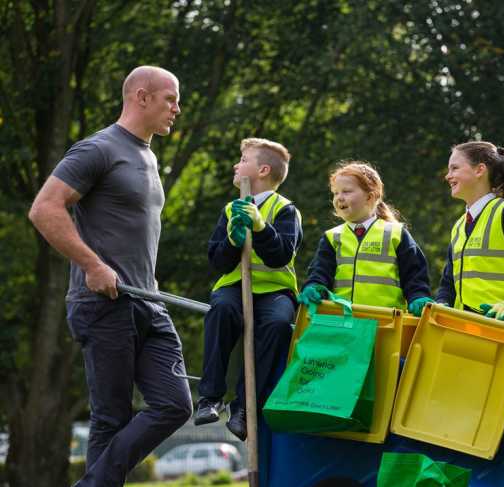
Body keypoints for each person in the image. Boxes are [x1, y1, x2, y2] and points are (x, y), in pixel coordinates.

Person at [28, 66, 192, 486]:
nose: (177, 108)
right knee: (111, 418)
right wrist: (92, 265)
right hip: (103, 304)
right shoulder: (98, 149)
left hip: (148, 303)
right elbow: (45, 208)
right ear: (141, 97)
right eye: (169, 99)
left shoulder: (148, 155)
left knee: (175, 404)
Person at [194, 138, 303, 442]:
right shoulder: (230, 209)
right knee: (222, 310)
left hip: (274, 290)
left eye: (243, 159)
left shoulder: (285, 210)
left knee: (279, 324)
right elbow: (217, 260)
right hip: (234, 286)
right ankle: (210, 397)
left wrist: (261, 228)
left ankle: (243, 407)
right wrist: (231, 241)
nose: (236, 165)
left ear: (263, 169)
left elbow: (281, 255)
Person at [299, 161, 432, 316]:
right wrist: (314, 286)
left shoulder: (396, 233)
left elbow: (414, 275)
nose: (339, 198)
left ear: (370, 197)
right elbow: (320, 272)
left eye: (346, 191)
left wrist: (419, 297)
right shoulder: (332, 237)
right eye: (335, 193)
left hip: (386, 323)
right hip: (341, 322)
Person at [435, 141, 504, 323]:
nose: (448, 176)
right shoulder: (459, 226)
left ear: (479, 170)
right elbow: (448, 281)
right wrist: (442, 302)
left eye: (454, 168)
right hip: (466, 329)